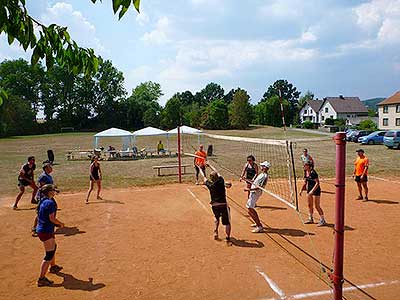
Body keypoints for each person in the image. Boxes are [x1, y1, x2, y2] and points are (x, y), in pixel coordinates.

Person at [36, 184, 64, 287]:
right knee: (49, 254)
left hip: (44, 230)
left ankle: (53, 267)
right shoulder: (50, 203)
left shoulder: (43, 200)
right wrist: (60, 224)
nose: (55, 192)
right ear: (49, 192)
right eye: (53, 190)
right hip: (46, 231)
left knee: (53, 248)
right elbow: (52, 219)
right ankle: (41, 279)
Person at [199, 162, 232, 243]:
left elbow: (204, 177)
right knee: (227, 222)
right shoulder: (221, 181)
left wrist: (200, 168)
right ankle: (227, 237)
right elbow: (216, 171)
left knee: (216, 217)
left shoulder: (210, 185)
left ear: (211, 178)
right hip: (223, 205)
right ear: (217, 177)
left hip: (214, 205)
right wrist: (209, 165)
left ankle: (215, 231)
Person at [245, 161, 270, 233]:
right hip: (253, 192)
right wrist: (247, 180)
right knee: (249, 209)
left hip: (255, 193)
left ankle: (259, 226)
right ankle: (257, 222)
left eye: (262, 166)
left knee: (250, 209)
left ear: (265, 168)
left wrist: (249, 189)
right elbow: (255, 183)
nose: (261, 167)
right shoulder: (262, 174)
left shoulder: (264, 176)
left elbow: (259, 187)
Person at [300, 162, 326, 226]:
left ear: (309, 166)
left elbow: (317, 183)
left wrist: (312, 191)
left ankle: (323, 220)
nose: (303, 166)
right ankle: (310, 218)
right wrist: (301, 190)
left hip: (316, 191)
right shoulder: (306, 172)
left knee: (317, 206)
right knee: (309, 205)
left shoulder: (313, 173)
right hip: (309, 191)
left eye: (305, 165)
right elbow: (305, 182)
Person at [32, 162, 54, 236]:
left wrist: (54, 189)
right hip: (42, 197)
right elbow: (41, 187)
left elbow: (49, 186)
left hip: (48, 196)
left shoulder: (48, 176)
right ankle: (34, 229)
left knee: (51, 210)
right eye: (49, 167)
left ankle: (49, 224)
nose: (51, 168)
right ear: (45, 169)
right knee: (39, 213)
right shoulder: (43, 176)